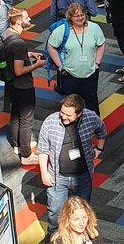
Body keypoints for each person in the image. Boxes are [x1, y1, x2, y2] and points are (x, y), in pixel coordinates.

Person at [37, 93, 107, 230]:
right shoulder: (50, 122)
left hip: (83, 176)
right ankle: (53, 236)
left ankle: (83, 234)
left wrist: (99, 149)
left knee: (82, 210)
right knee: (55, 212)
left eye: (68, 115)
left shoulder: (90, 117)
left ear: (79, 113)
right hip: (57, 177)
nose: (63, 116)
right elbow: (43, 149)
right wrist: (44, 173)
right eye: (62, 112)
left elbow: (101, 130)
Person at [0, 7, 45, 166]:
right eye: (26, 17)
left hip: (11, 84)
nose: (29, 19)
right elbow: (19, 70)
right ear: (18, 21)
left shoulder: (6, 34)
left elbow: (12, 56)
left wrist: (29, 54)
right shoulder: (19, 43)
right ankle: (26, 154)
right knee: (26, 120)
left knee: (16, 114)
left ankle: (17, 144)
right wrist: (36, 65)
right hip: (22, 86)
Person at [47, 1, 105, 115]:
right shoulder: (62, 30)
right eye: (76, 16)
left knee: (91, 99)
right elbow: (51, 46)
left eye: (82, 15)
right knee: (72, 102)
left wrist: (97, 63)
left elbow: (101, 44)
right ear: (70, 17)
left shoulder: (94, 28)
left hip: (91, 72)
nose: (80, 18)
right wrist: (60, 66)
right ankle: (73, 126)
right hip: (69, 74)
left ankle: (94, 125)